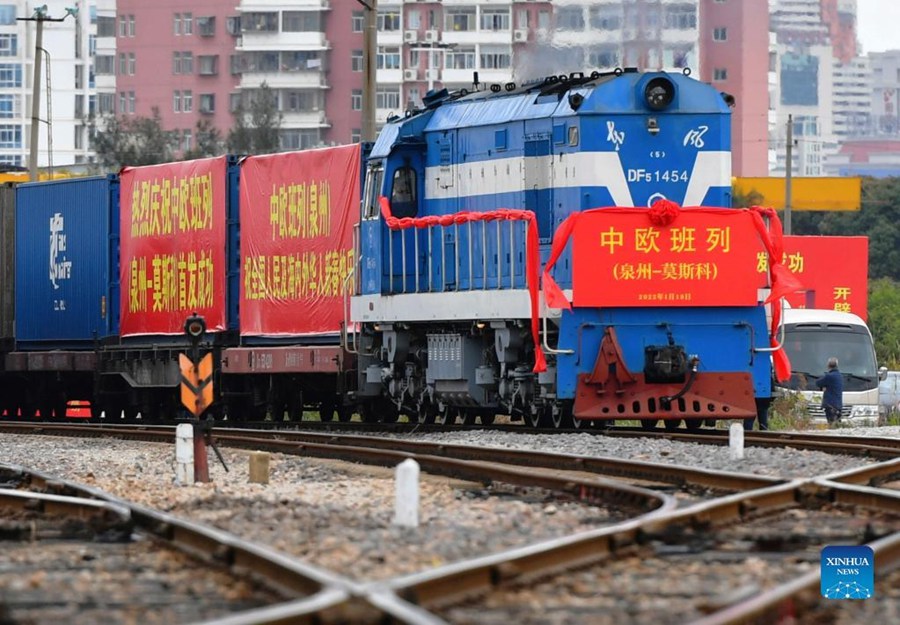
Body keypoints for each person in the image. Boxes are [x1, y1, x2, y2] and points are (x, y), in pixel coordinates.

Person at [816, 357, 844, 425]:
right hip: (838, 406)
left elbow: (818, 383)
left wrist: (823, 386)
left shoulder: (829, 376)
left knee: (831, 424)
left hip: (830, 406)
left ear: (828, 366)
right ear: (837, 365)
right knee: (837, 425)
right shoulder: (840, 376)